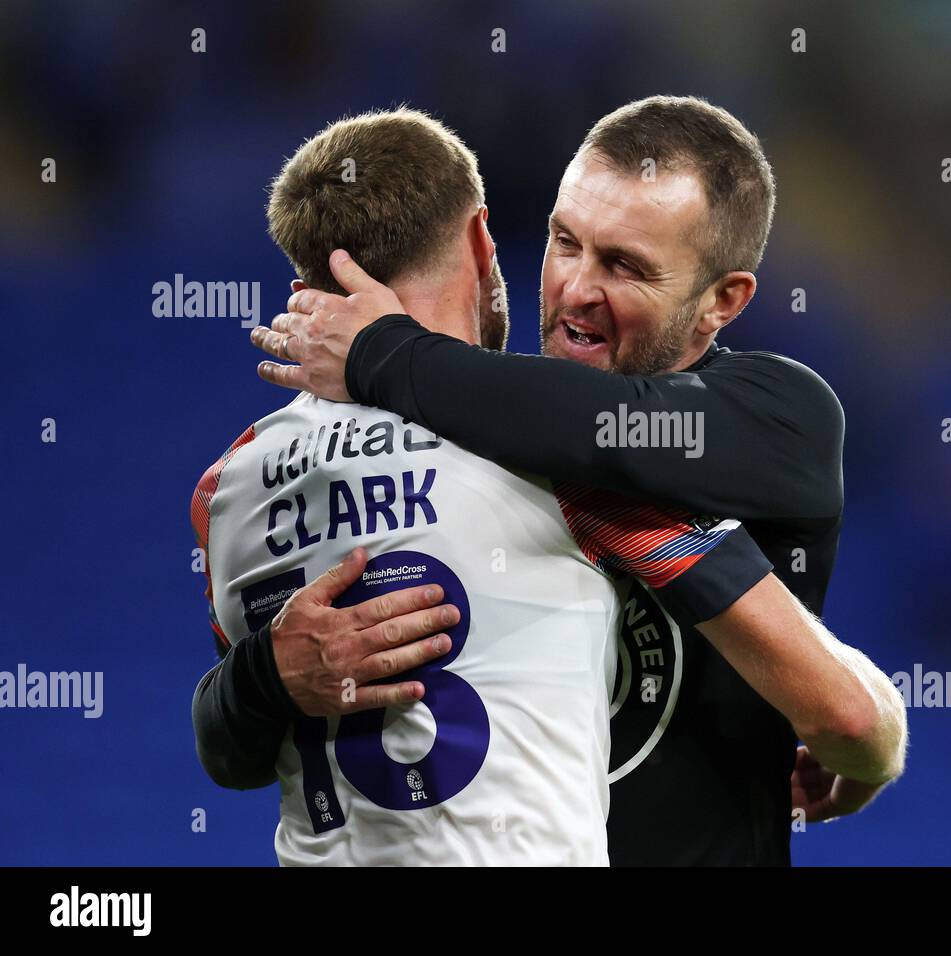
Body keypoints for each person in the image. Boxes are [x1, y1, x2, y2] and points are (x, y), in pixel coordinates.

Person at [196, 107, 906, 866]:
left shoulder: (778, 416)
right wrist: (267, 674)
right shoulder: (528, 463)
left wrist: (382, 349)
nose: (576, 289)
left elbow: (603, 427)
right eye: (565, 243)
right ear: (488, 241)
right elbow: (231, 744)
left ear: (723, 300)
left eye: (626, 266)